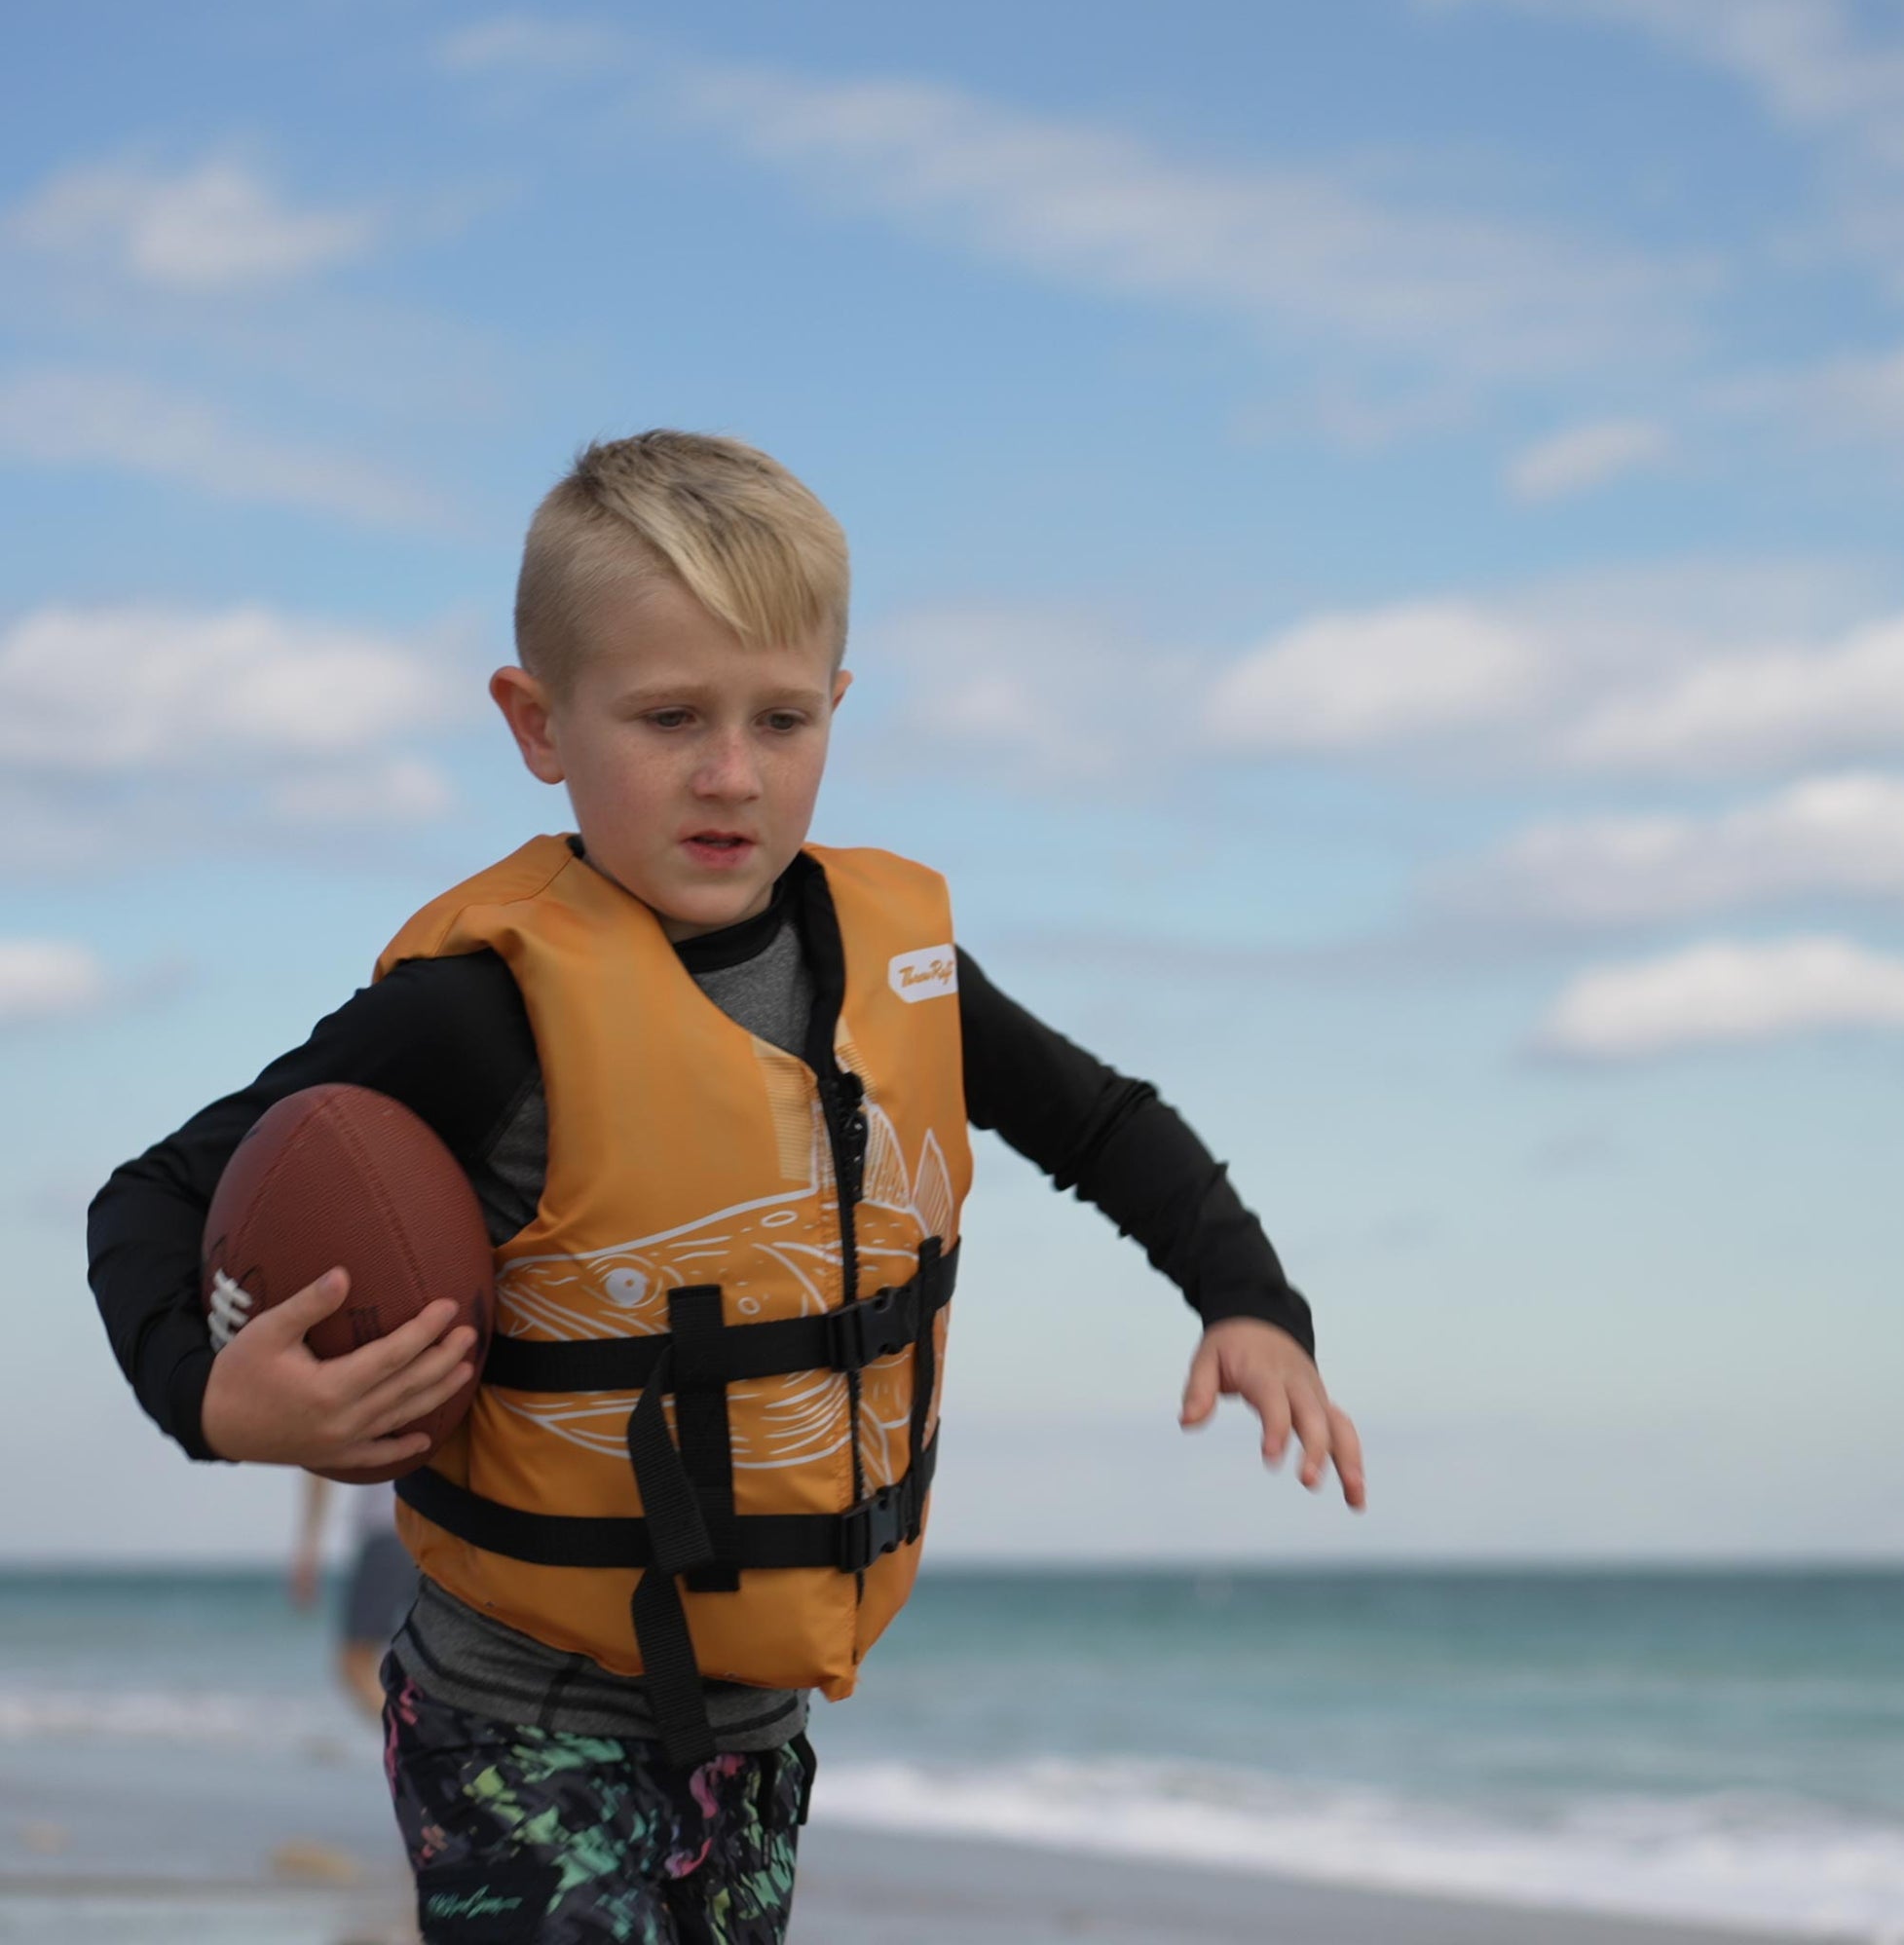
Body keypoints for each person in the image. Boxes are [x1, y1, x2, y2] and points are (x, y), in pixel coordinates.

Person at [88, 430, 1365, 1944]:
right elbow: (152, 1196)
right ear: (537, 720)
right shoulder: (474, 1014)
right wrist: (213, 1400)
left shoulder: (897, 969)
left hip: (755, 1725)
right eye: (670, 716)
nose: (730, 774)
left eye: (780, 717)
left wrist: (1247, 1300)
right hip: (515, 1715)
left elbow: (1103, 1122)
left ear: (836, 706)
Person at [289, 1477, 417, 1719]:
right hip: (445, 1533)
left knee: (356, 1663)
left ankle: (424, 1746)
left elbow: (319, 1460)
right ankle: (436, 1746)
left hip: (391, 1527)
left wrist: (309, 1546)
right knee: (434, 1663)